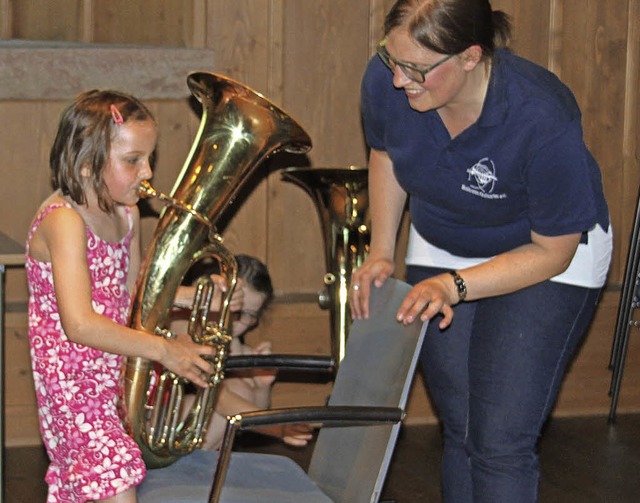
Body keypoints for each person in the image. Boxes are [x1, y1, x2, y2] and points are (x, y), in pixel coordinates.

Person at [349, 1, 612, 502]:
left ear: (471, 57)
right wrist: (382, 249)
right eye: (393, 61)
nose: (401, 81)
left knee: (499, 441)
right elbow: (385, 152)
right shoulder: (388, 78)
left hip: (548, 256)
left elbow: (554, 251)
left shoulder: (541, 113)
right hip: (445, 239)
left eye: (418, 70)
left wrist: (454, 286)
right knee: (463, 426)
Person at [25, 90, 218, 503]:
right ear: (86, 164)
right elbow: (79, 324)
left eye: (150, 158)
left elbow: (128, 294)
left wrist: (194, 299)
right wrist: (163, 351)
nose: (147, 171)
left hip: (112, 376)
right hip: (72, 386)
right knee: (115, 483)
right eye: (132, 161)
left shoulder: (126, 214)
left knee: (92, 486)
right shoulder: (64, 222)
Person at [171, 254, 313, 450]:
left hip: (190, 432)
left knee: (242, 388)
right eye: (232, 309)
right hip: (149, 425)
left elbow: (255, 407)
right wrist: (277, 426)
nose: (235, 320)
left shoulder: (236, 344)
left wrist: (262, 385)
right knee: (231, 395)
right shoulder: (183, 324)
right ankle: (180, 468)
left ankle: (198, 467)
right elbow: (219, 400)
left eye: (248, 315)